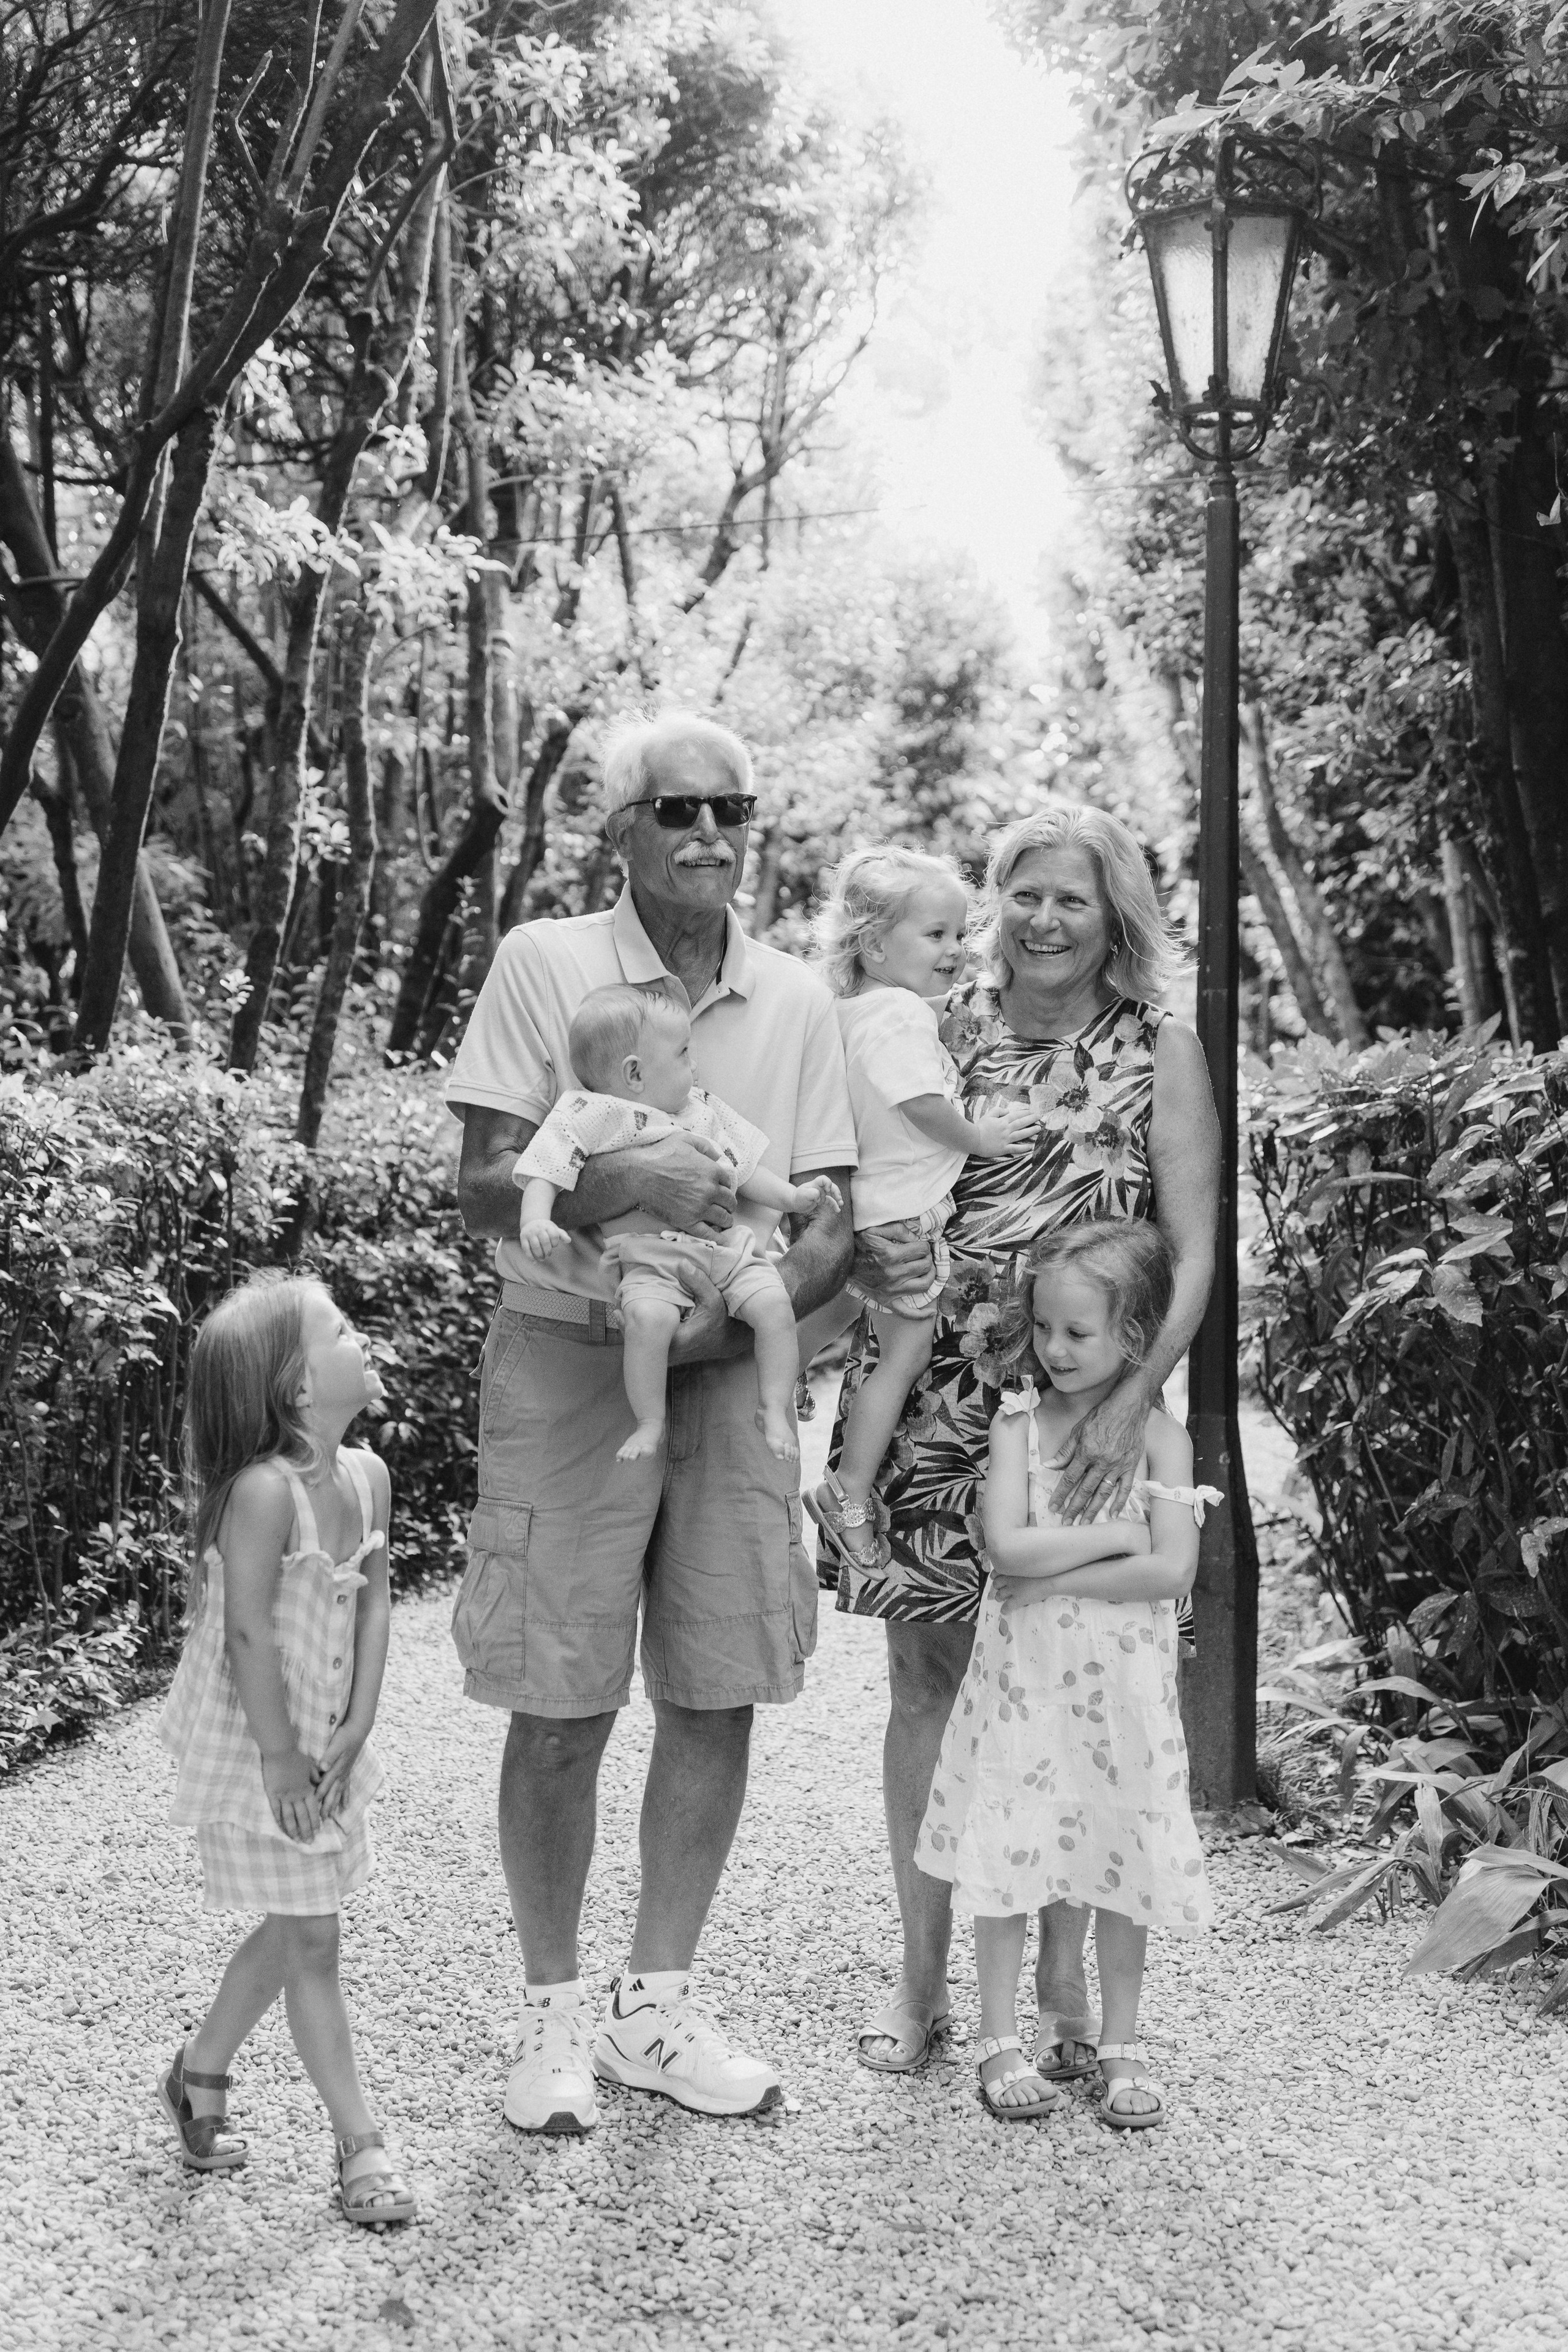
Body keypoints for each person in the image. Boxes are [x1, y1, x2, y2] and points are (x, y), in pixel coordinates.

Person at [446, 710, 856, 2133]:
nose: (704, 830)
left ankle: (655, 2007)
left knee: (715, 1679)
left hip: (729, 1367)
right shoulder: (543, 963)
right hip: (569, 1357)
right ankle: (552, 2016)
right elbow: (484, 1182)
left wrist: (731, 1314)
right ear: (618, 828)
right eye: (674, 806)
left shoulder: (799, 999)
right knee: (558, 1695)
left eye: (729, 807)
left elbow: (828, 1217)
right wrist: (632, 1195)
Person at [826, 803, 1221, 2079]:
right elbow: (859, 1183)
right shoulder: (933, 1021)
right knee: (928, 1688)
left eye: (1071, 897)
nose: (1042, 920)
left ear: (1114, 912)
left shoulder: (1158, 1044)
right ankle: (923, 1986)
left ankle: (1060, 1995)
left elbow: (1198, 1246)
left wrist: (1127, 1400)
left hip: (1075, 1412)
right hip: (931, 1399)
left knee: (1061, 1691)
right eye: (1022, 894)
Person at [915, 1223, 1217, 2127]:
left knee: (1121, 1866)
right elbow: (1005, 1547)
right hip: (1026, 1694)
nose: (1053, 1349)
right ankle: (999, 2040)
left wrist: (1063, 1568)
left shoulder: (1164, 1442)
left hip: (1123, 1700)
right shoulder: (1019, 1425)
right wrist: (1123, 1534)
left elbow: (1171, 1572)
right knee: (1012, 1857)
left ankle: (1120, 2047)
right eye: (1044, 1327)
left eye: (1078, 1333)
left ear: (1136, 1332)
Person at [156, 1276, 414, 2225]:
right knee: (312, 1934)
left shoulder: (367, 1476)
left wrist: (358, 1725)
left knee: (296, 1918)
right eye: (341, 1329)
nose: (364, 1337)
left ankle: (199, 2071)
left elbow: (378, 1598)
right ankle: (360, 2141)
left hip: (326, 1742)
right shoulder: (262, 1494)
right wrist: (279, 1756)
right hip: (264, 1741)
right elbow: (249, 1636)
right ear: (299, 1388)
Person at [796, 847, 1038, 1566]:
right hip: (904, 1212)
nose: (956, 951)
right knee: (901, 1355)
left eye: (960, 935)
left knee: (849, 1310)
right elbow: (920, 1102)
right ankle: (848, 1489)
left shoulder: (854, 1009)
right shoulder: (899, 1014)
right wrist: (979, 1136)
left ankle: (779, 1371)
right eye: (936, 936)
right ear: (873, 944)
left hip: (866, 1204)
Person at [515, 982, 840, 1463]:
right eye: (684, 1051)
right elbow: (546, 1166)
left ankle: (773, 1405)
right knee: (648, 1321)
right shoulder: (591, 1112)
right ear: (634, 1073)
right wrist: (534, 1219)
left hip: (725, 1249)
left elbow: (747, 1171)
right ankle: (650, 1421)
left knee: (775, 1305)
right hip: (649, 1259)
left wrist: (795, 1196)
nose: (696, 1061)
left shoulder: (702, 1109)